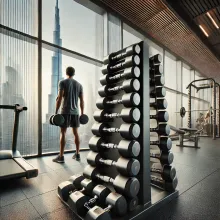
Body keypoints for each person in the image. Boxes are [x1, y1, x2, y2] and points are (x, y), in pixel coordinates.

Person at [53, 66, 84, 163]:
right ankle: (78, 154)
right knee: (76, 133)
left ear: (66, 73)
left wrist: (56, 112)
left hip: (65, 111)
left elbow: (60, 98)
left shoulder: (62, 82)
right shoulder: (79, 85)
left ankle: (61, 157)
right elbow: (82, 101)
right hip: (75, 113)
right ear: (74, 74)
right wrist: (82, 113)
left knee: (63, 132)